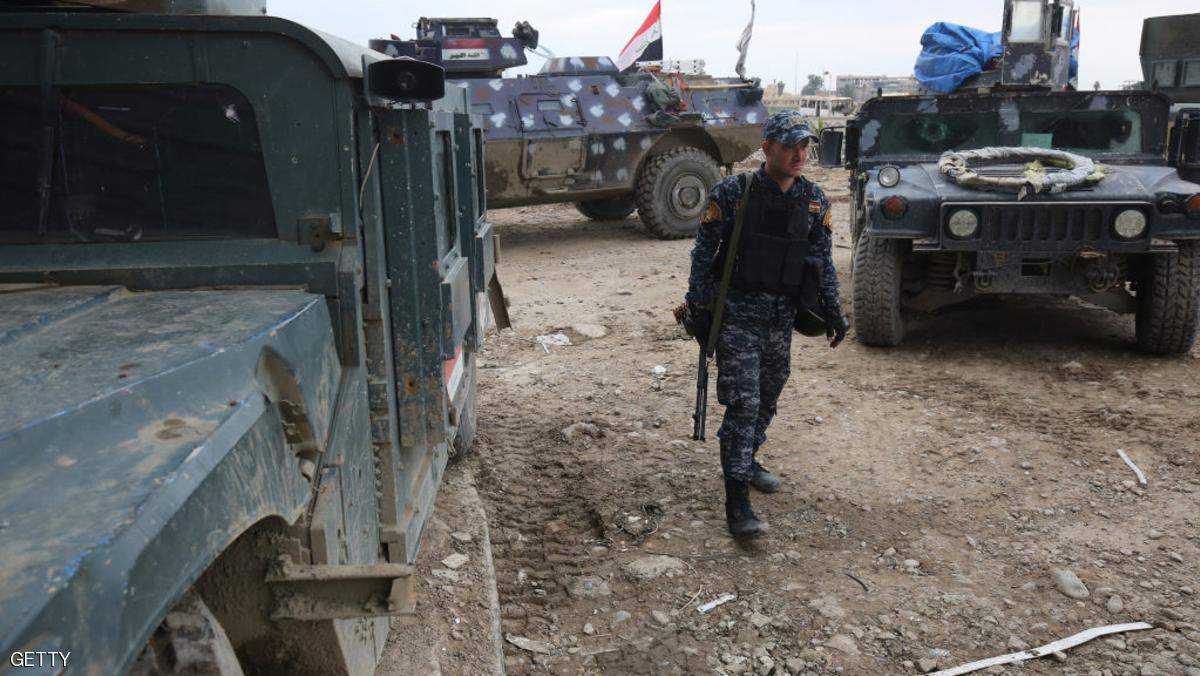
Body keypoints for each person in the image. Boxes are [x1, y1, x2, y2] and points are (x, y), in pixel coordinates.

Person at [685, 110, 848, 538]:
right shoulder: (734, 192)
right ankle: (737, 501)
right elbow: (703, 256)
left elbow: (821, 262)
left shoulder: (814, 202)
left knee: (769, 395)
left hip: (781, 319)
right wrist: (699, 309)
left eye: (804, 145)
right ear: (768, 147)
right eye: (790, 145)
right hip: (738, 315)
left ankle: (748, 457)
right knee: (743, 403)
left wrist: (834, 311)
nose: (799, 154)